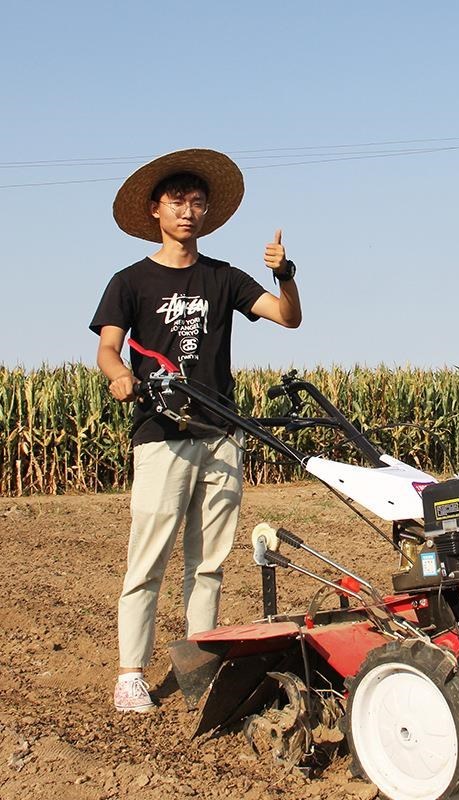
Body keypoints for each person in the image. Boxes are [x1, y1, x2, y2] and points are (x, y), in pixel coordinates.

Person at [89, 148, 301, 712]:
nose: (188, 211)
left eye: (197, 202)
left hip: (220, 435)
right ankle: (131, 673)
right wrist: (118, 376)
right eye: (178, 201)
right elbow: (108, 348)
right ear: (155, 210)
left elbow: (288, 317)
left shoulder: (223, 278)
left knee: (208, 564)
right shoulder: (129, 281)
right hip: (161, 436)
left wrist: (285, 274)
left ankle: (199, 668)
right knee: (148, 560)